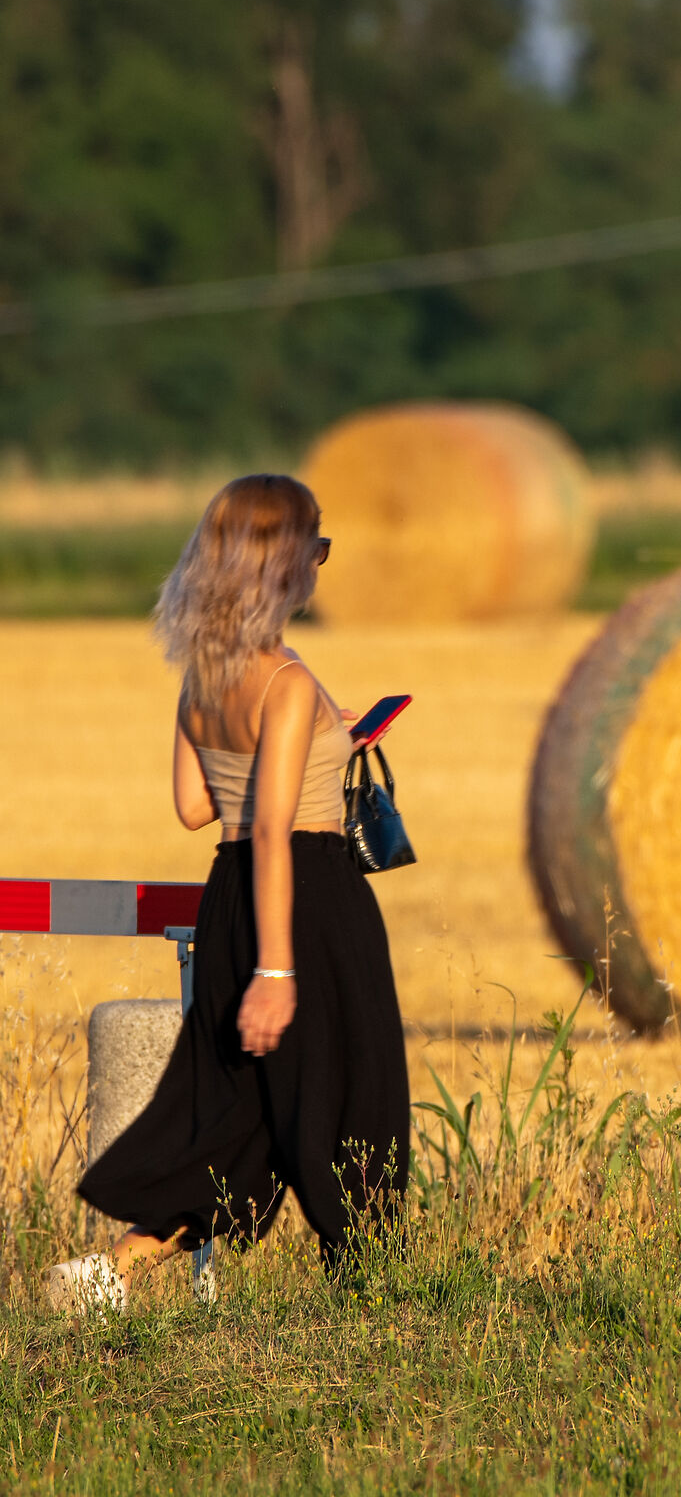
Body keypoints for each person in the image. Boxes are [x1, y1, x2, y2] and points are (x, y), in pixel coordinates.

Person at [44, 475, 411, 1314]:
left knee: (239, 1117)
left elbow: (194, 806)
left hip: (230, 897)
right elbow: (279, 828)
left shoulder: (202, 678)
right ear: (281, 564)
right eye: (315, 547)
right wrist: (277, 973)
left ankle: (111, 1274)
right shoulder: (283, 681)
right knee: (354, 1098)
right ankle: (375, 1297)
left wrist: (328, 738)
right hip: (308, 904)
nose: (320, 564)